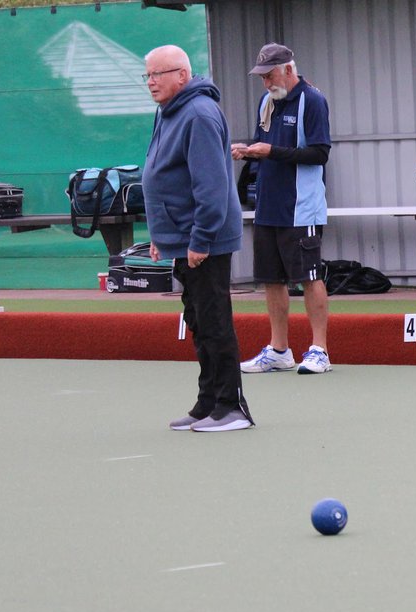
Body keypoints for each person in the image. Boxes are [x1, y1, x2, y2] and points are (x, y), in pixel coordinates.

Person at [143, 45, 253, 432]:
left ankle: (232, 406)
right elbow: (164, 176)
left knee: (214, 319)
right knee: (197, 319)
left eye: (159, 74)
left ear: (182, 76)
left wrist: (201, 239)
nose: (152, 82)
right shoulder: (168, 112)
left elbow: (211, 186)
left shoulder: (199, 114)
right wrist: (162, 234)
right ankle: (208, 402)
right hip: (182, 236)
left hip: (205, 240)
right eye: (148, 75)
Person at [232, 43, 334, 374]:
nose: (265, 83)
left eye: (270, 75)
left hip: (301, 208)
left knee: (309, 276)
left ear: (289, 70)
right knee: (271, 279)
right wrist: (247, 151)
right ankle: (279, 350)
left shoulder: (313, 100)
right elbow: (265, 144)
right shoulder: (267, 101)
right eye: (261, 77)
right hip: (268, 206)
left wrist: (271, 151)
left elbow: (319, 153)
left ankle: (319, 350)